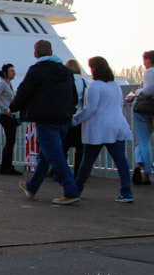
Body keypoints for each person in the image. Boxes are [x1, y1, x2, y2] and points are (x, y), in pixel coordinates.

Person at [9, 40, 80, 204]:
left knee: (55, 156)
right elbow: (74, 96)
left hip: (46, 119)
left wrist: (12, 107)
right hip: (64, 119)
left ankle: (71, 190)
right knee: (46, 155)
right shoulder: (66, 71)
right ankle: (31, 187)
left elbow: (24, 91)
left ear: (36, 53)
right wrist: (69, 112)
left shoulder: (37, 70)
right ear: (51, 51)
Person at [72, 57, 134, 202]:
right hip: (118, 125)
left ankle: (76, 189)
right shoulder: (115, 86)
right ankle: (126, 192)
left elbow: (90, 109)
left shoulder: (94, 86)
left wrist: (75, 120)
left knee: (87, 161)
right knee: (121, 160)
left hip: (99, 129)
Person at [0, 63, 22, 175]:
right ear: (5, 73)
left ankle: (6, 166)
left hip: (9, 115)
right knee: (10, 141)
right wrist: (5, 109)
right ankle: (6, 167)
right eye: (11, 71)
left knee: (10, 141)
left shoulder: (8, 84)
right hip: (5, 116)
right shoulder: (2, 84)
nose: (14, 73)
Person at [129, 50, 154, 186]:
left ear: (149, 60)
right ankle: (139, 165)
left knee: (142, 140)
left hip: (143, 108)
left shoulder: (150, 71)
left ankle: (146, 173)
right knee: (143, 139)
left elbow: (149, 90)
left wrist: (138, 91)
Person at [61, 59, 88, 177]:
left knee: (63, 147)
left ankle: (61, 172)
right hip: (80, 118)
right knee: (80, 148)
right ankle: (78, 172)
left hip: (65, 117)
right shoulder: (84, 82)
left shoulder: (63, 81)